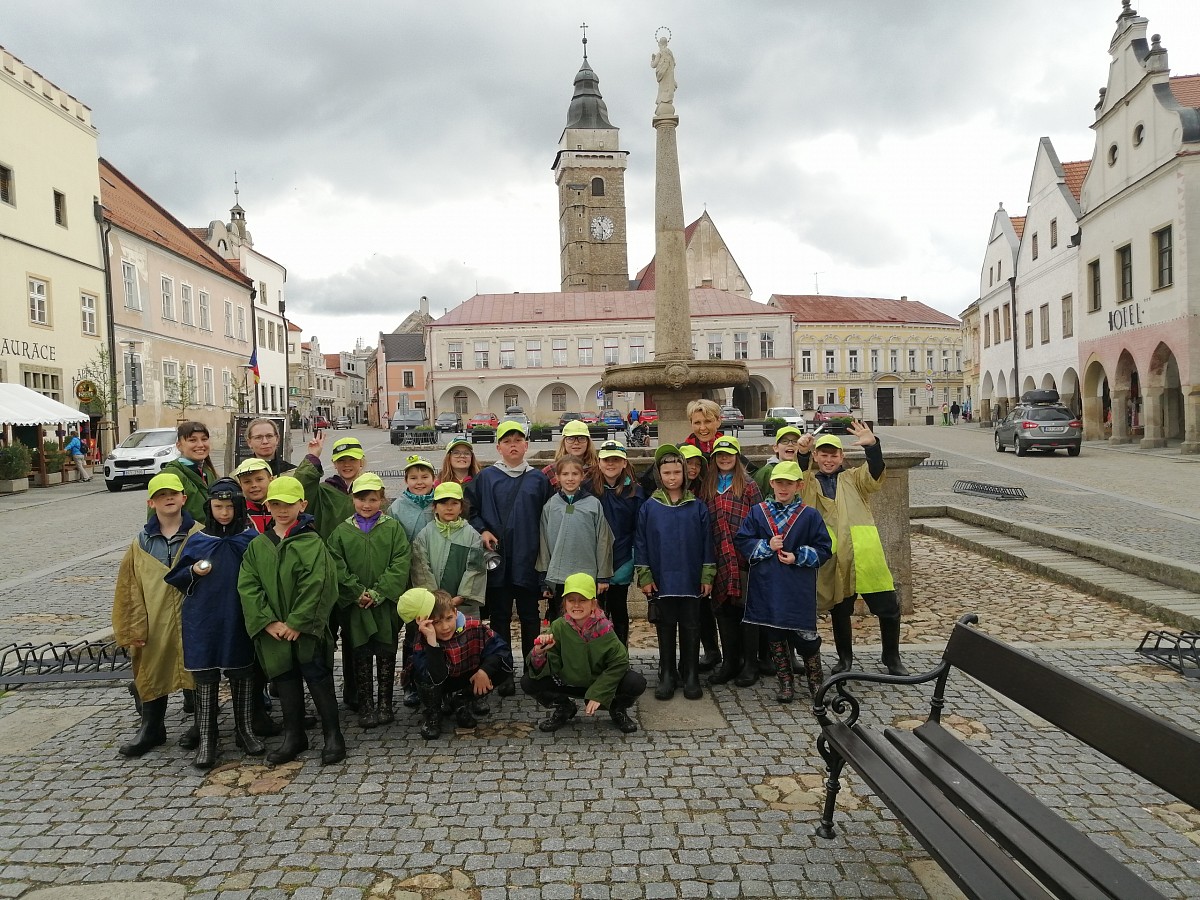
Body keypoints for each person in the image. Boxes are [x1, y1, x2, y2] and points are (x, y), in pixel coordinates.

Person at [238, 475, 345, 765]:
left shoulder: (312, 543)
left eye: (288, 504)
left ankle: (333, 735)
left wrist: (298, 622)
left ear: (302, 504)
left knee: (318, 678)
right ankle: (294, 735)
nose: (282, 510)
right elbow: (248, 586)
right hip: (274, 632)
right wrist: (267, 621)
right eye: (275, 504)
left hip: (306, 631)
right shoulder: (259, 546)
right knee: (285, 680)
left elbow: (320, 584)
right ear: (267, 506)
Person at [164, 478, 263, 768]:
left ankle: (244, 730)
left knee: (242, 670)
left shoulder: (250, 539)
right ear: (210, 508)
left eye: (229, 507)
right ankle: (208, 736)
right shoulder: (198, 540)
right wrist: (193, 571)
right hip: (204, 616)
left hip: (237, 613)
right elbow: (177, 576)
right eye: (219, 507)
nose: (224, 513)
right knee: (205, 674)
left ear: (239, 508)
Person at [797, 425, 910, 677]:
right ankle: (844, 659)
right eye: (823, 455)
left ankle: (891, 656)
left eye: (833, 455)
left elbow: (875, 472)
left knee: (888, 606)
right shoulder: (809, 483)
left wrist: (872, 447)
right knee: (840, 609)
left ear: (842, 457)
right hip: (833, 556)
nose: (828, 460)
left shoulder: (854, 478)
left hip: (864, 552)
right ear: (816, 456)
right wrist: (802, 453)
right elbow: (797, 475)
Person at [112, 472, 202, 757]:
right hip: (155, 620)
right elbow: (129, 588)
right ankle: (152, 727)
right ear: (151, 502)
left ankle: (202, 725)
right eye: (161, 495)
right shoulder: (141, 543)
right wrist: (132, 628)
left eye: (173, 494)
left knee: (198, 670)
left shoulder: (199, 535)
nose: (168, 499)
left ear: (183, 498)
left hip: (192, 620)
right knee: (150, 670)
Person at [734, 461, 832, 703]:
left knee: (806, 637)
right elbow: (743, 540)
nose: (783, 488)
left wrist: (799, 556)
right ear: (771, 483)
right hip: (768, 584)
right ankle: (785, 683)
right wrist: (766, 545)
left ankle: (816, 683)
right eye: (779, 483)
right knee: (774, 634)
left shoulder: (810, 515)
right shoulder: (757, 512)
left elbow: (824, 548)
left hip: (798, 586)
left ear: (799, 486)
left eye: (789, 483)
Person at [465, 421, 553, 688]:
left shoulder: (538, 479)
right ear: (498, 447)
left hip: (528, 558)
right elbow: (470, 510)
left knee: (530, 617)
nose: (512, 445)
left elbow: (549, 518)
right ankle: (502, 673)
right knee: (500, 617)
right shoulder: (486, 478)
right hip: (498, 559)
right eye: (507, 441)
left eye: (517, 440)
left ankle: (532, 670)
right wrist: (482, 530)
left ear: (526, 445)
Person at [327, 473, 411, 729]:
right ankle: (365, 704)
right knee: (360, 652)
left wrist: (379, 592)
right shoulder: (341, 532)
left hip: (384, 604)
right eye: (361, 499)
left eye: (373, 499)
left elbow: (400, 561)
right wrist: (356, 591)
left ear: (382, 500)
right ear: (353, 499)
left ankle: (385, 702)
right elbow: (336, 565)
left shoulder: (393, 528)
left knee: (386, 650)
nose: (367, 505)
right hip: (356, 606)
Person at [635, 445, 715, 701]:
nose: (672, 477)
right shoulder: (650, 507)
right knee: (666, 626)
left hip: (690, 577)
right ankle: (667, 673)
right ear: (659, 475)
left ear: (684, 474)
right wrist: (645, 575)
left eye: (676, 472)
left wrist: (707, 575)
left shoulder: (697, 507)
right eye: (667, 473)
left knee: (691, 626)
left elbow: (707, 543)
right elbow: (641, 543)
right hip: (662, 579)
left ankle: (691, 674)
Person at [293, 432, 366, 707]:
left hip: (356, 576)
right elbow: (300, 488)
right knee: (323, 637)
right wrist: (313, 457)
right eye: (342, 460)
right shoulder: (323, 491)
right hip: (325, 575)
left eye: (352, 459)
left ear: (361, 461)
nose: (347, 465)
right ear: (334, 463)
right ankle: (324, 698)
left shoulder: (369, 491)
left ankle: (355, 691)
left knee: (354, 638)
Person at [521, 573, 645, 733]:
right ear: (564, 603)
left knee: (635, 682)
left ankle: (616, 708)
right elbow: (551, 665)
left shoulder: (605, 629)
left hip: (597, 681)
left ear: (593, 604)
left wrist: (599, 692)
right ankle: (564, 706)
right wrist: (539, 652)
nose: (576, 605)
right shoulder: (558, 626)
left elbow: (620, 662)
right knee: (528, 682)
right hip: (567, 682)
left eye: (583, 600)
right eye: (571, 600)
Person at [402, 588, 513, 740]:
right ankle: (433, 713)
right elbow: (431, 676)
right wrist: (432, 643)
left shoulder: (473, 626)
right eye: (437, 622)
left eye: (449, 618)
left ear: (455, 612)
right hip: (441, 681)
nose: (445, 627)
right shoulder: (423, 638)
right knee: (424, 677)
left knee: (502, 667)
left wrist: (484, 671)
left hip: (466, 675)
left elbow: (501, 650)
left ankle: (462, 700)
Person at [699, 437, 763, 688]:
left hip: (743, 556)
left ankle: (750, 664)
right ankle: (730, 662)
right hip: (718, 555)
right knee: (723, 610)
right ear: (714, 458)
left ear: (737, 457)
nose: (724, 459)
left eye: (729, 454)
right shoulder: (708, 486)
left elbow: (759, 519)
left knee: (746, 610)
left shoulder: (748, 486)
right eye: (720, 455)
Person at [537, 455, 615, 622]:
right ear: (557, 477)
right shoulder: (550, 506)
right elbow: (543, 542)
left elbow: (603, 540)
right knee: (563, 622)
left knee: (590, 621)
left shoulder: (593, 504)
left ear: (582, 476)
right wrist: (544, 578)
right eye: (565, 474)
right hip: (559, 576)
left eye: (575, 474)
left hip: (587, 575)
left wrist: (603, 576)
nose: (570, 478)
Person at [591, 441, 645, 646]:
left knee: (619, 607)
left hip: (622, 558)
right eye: (606, 460)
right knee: (595, 610)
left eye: (616, 459)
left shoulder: (635, 492)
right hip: (594, 559)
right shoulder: (588, 488)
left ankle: (621, 652)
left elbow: (639, 529)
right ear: (599, 462)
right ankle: (598, 653)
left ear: (624, 463)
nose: (611, 464)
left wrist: (634, 559)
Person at [410, 481, 487, 619]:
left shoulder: (472, 535)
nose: (449, 508)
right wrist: (435, 598)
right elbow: (421, 569)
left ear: (461, 508)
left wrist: (461, 597)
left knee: (464, 630)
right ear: (435, 507)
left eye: (454, 503)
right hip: (433, 604)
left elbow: (475, 568)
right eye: (443, 503)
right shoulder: (424, 535)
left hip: (464, 606)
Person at [158, 421, 220, 525]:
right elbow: (157, 518)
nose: (200, 445)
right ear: (179, 446)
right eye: (192, 440)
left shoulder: (209, 473)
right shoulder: (171, 474)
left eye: (204, 439)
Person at [387, 455, 438, 542]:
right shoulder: (396, 508)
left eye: (425, 477)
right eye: (413, 478)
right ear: (406, 481)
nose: (419, 482)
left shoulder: (441, 502)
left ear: (433, 479)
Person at [541, 420, 599, 489]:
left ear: (588, 442)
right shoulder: (550, 472)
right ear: (563, 442)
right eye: (571, 438)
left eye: (581, 438)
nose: (576, 442)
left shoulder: (597, 470)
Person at [753, 426, 803, 500]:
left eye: (795, 441)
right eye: (784, 441)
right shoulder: (766, 472)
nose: (790, 444)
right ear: (776, 447)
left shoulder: (804, 470)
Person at [232, 457, 274, 534]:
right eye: (247, 482)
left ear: (271, 480)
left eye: (259, 479)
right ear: (240, 485)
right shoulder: (237, 513)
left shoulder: (282, 509)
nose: (254, 485)